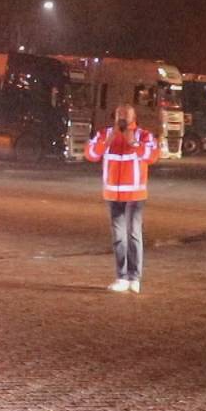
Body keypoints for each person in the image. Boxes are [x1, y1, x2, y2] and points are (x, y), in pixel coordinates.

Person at [85, 104, 160, 293]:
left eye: (126, 115)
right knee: (118, 237)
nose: (122, 119)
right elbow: (91, 154)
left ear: (134, 117)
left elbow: (152, 156)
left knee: (134, 234)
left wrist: (133, 142)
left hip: (135, 193)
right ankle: (121, 277)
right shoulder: (105, 134)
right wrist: (110, 138)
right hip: (112, 193)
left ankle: (135, 278)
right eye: (119, 115)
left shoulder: (144, 135)